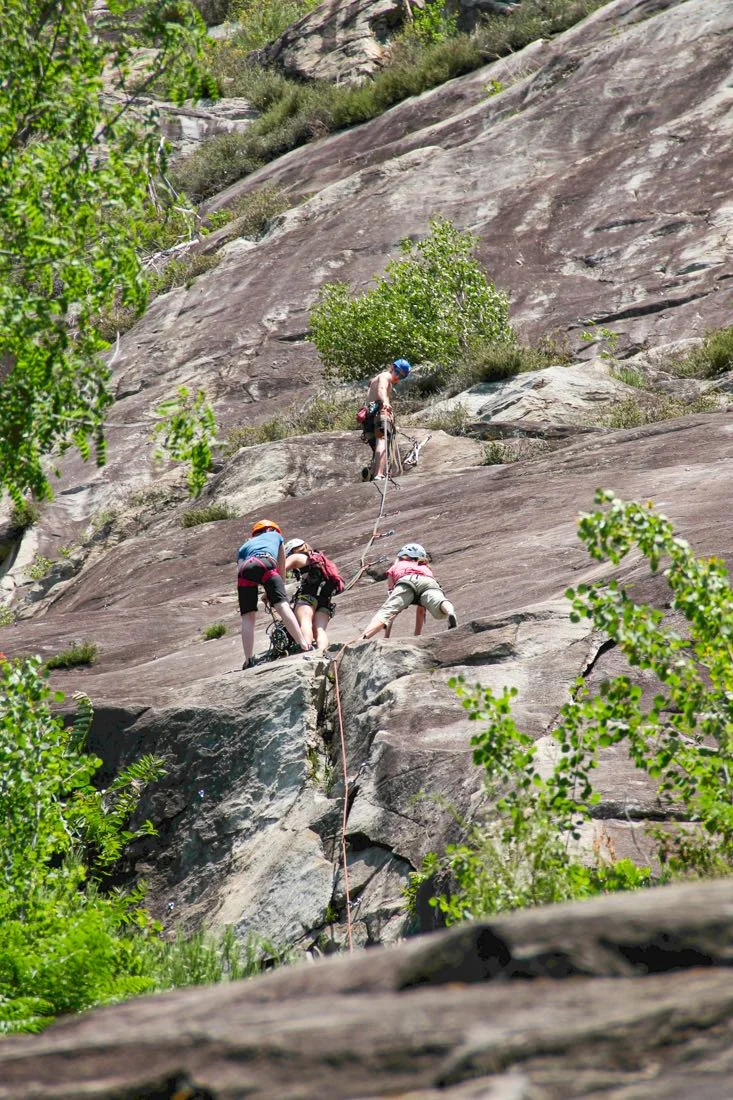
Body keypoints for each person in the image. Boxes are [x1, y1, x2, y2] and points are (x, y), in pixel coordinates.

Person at [237, 519, 312, 670]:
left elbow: (241, 570)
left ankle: (249, 660)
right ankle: (304, 645)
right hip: (267, 563)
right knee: (282, 606)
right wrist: (277, 591)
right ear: (274, 530)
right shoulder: (277, 537)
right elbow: (281, 567)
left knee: (248, 616)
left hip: (245, 570)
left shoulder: (244, 546)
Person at [360, 542, 457, 640]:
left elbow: (392, 613)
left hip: (406, 581)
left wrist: (386, 637)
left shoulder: (396, 566)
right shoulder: (425, 568)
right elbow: (421, 611)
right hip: (428, 581)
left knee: (386, 612)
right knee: (439, 601)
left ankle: (362, 639)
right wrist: (417, 636)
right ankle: (450, 612)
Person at [284, 538, 344, 651]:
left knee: (305, 622)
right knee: (319, 630)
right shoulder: (320, 560)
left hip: (308, 597)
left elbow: (278, 571)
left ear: (291, 551)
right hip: (325, 599)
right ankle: (321, 654)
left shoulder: (295, 557)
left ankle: (307, 651)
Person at [360, 358, 411, 481]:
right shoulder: (385, 376)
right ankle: (378, 474)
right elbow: (381, 390)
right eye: (397, 372)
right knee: (382, 441)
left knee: (375, 446)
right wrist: (386, 403)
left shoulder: (374, 380)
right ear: (392, 368)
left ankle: (372, 472)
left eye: (402, 376)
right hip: (379, 412)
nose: (397, 376)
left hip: (368, 417)